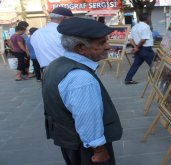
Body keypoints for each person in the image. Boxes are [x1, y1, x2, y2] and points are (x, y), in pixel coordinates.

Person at [42, 17, 122, 165]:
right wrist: (98, 150)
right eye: (102, 43)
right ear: (80, 48)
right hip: (86, 148)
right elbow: (87, 118)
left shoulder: (55, 64)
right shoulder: (81, 78)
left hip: (70, 142)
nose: (108, 46)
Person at [124, 13, 155, 85]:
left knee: (135, 64)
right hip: (146, 49)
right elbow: (143, 39)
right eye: (149, 17)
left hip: (139, 48)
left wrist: (135, 47)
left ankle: (128, 79)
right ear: (146, 18)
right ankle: (160, 80)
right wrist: (137, 47)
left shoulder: (135, 26)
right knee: (155, 64)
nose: (149, 19)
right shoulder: (146, 27)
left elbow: (130, 39)